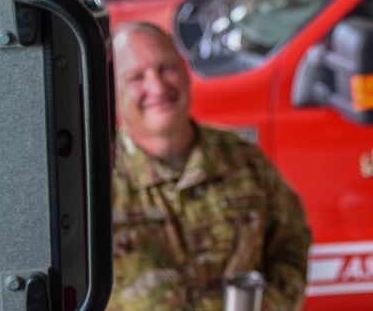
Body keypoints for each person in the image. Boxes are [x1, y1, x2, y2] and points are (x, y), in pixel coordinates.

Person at [108, 21, 311, 310]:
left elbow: (291, 239)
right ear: (112, 92)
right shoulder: (96, 182)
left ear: (185, 71)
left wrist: (273, 303)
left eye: (166, 68)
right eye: (137, 77)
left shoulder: (243, 159)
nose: (157, 86)